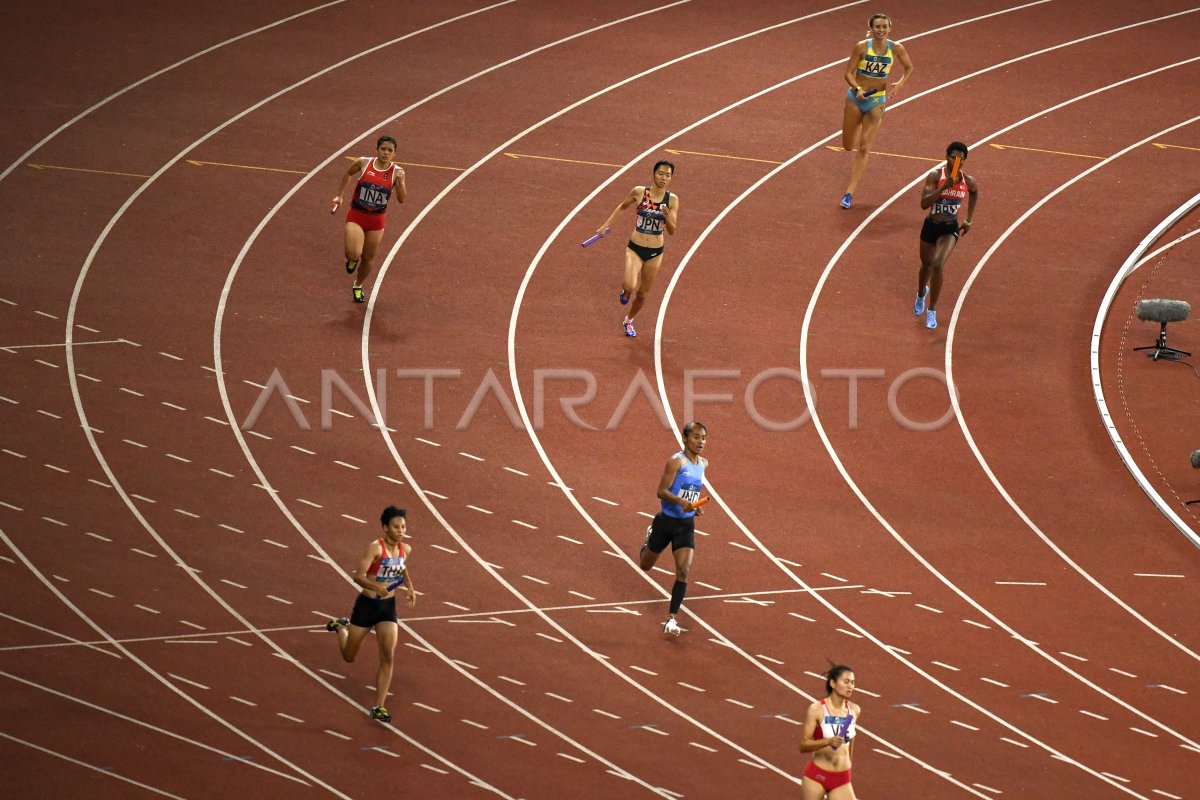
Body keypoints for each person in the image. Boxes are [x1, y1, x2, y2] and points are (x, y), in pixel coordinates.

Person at [326, 505, 417, 722]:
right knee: (349, 656)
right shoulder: (375, 549)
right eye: (396, 527)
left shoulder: (407, 549)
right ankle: (341, 627)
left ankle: (379, 706)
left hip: (387, 609)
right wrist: (376, 588)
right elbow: (358, 576)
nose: (401, 530)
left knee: (388, 655)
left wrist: (410, 587)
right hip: (367, 606)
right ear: (385, 528)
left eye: (403, 526)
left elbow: (402, 567)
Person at [638, 421, 707, 635]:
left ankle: (671, 619)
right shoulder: (676, 462)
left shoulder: (703, 464)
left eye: (703, 438)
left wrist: (693, 507)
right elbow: (661, 491)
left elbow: (691, 493)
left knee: (683, 571)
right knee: (645, 566)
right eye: (695, 437)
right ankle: (649, 538)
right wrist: (681, 502)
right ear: (685, 438)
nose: (700, 442)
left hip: (685, 525)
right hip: (666, 522)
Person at [596, 160, 679, 337]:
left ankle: (629, 321)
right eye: (661, 173)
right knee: (630, 285)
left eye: (668, 175)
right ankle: (625, 291)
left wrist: (667, 218)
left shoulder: (672, 200)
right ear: (653, 173)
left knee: (642, 294)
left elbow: (672, 231)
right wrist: (605, 226)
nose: (664, 178)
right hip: (635, 248)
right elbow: (622, 207)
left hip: (655, 252)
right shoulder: (640, 192)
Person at [839, 13, 913, 209]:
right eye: (877, 27)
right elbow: (848, 73)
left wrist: (900, 84)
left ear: (890, 28)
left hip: (876, 101)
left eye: (884, 27)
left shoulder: (897, 49)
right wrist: (857, 90)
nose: (881, 30)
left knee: (864, 148)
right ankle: (852, 137)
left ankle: (849, 194)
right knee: (848, 146)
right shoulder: (861, 47)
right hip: (856, 99)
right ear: (871, 28)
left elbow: (909, 67)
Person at [332, 135, 407, 304]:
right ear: (377, 150)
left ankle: (358, 286)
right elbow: (348, 174)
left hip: (376, 220)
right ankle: (352, 260)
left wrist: (401, 183)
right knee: (353, 253)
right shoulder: (363, 163)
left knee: (368, 258)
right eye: (383, 149)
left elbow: (402, 199)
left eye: (390, 150)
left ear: (394, 154)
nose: (386, 153)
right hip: (357, 215)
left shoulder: (397, 172)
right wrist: (340, 195)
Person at [913, 141, 978, 330]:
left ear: (964, 161)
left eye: (961, 158)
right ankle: (920, 294)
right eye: (953, 157)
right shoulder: (935, 176)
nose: (956, 160)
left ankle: (932, 309)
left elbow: (975, 193)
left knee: (938, 265)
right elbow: (924, 204)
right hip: (931, 225)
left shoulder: (967, 181)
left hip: (950, 228)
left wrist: (968, 219)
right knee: (926, 265)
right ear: (946, 157)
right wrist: (942, 188)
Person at [798, 665, 860, 799]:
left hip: (842, 778)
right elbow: (803, 745)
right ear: (832, 683)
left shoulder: (854, 710)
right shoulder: (817, 709)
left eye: (853, 682)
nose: (850, 686)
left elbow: (851, 740)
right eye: (846, 681)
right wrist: (828, 741)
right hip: (817, 775)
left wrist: (849, 763)